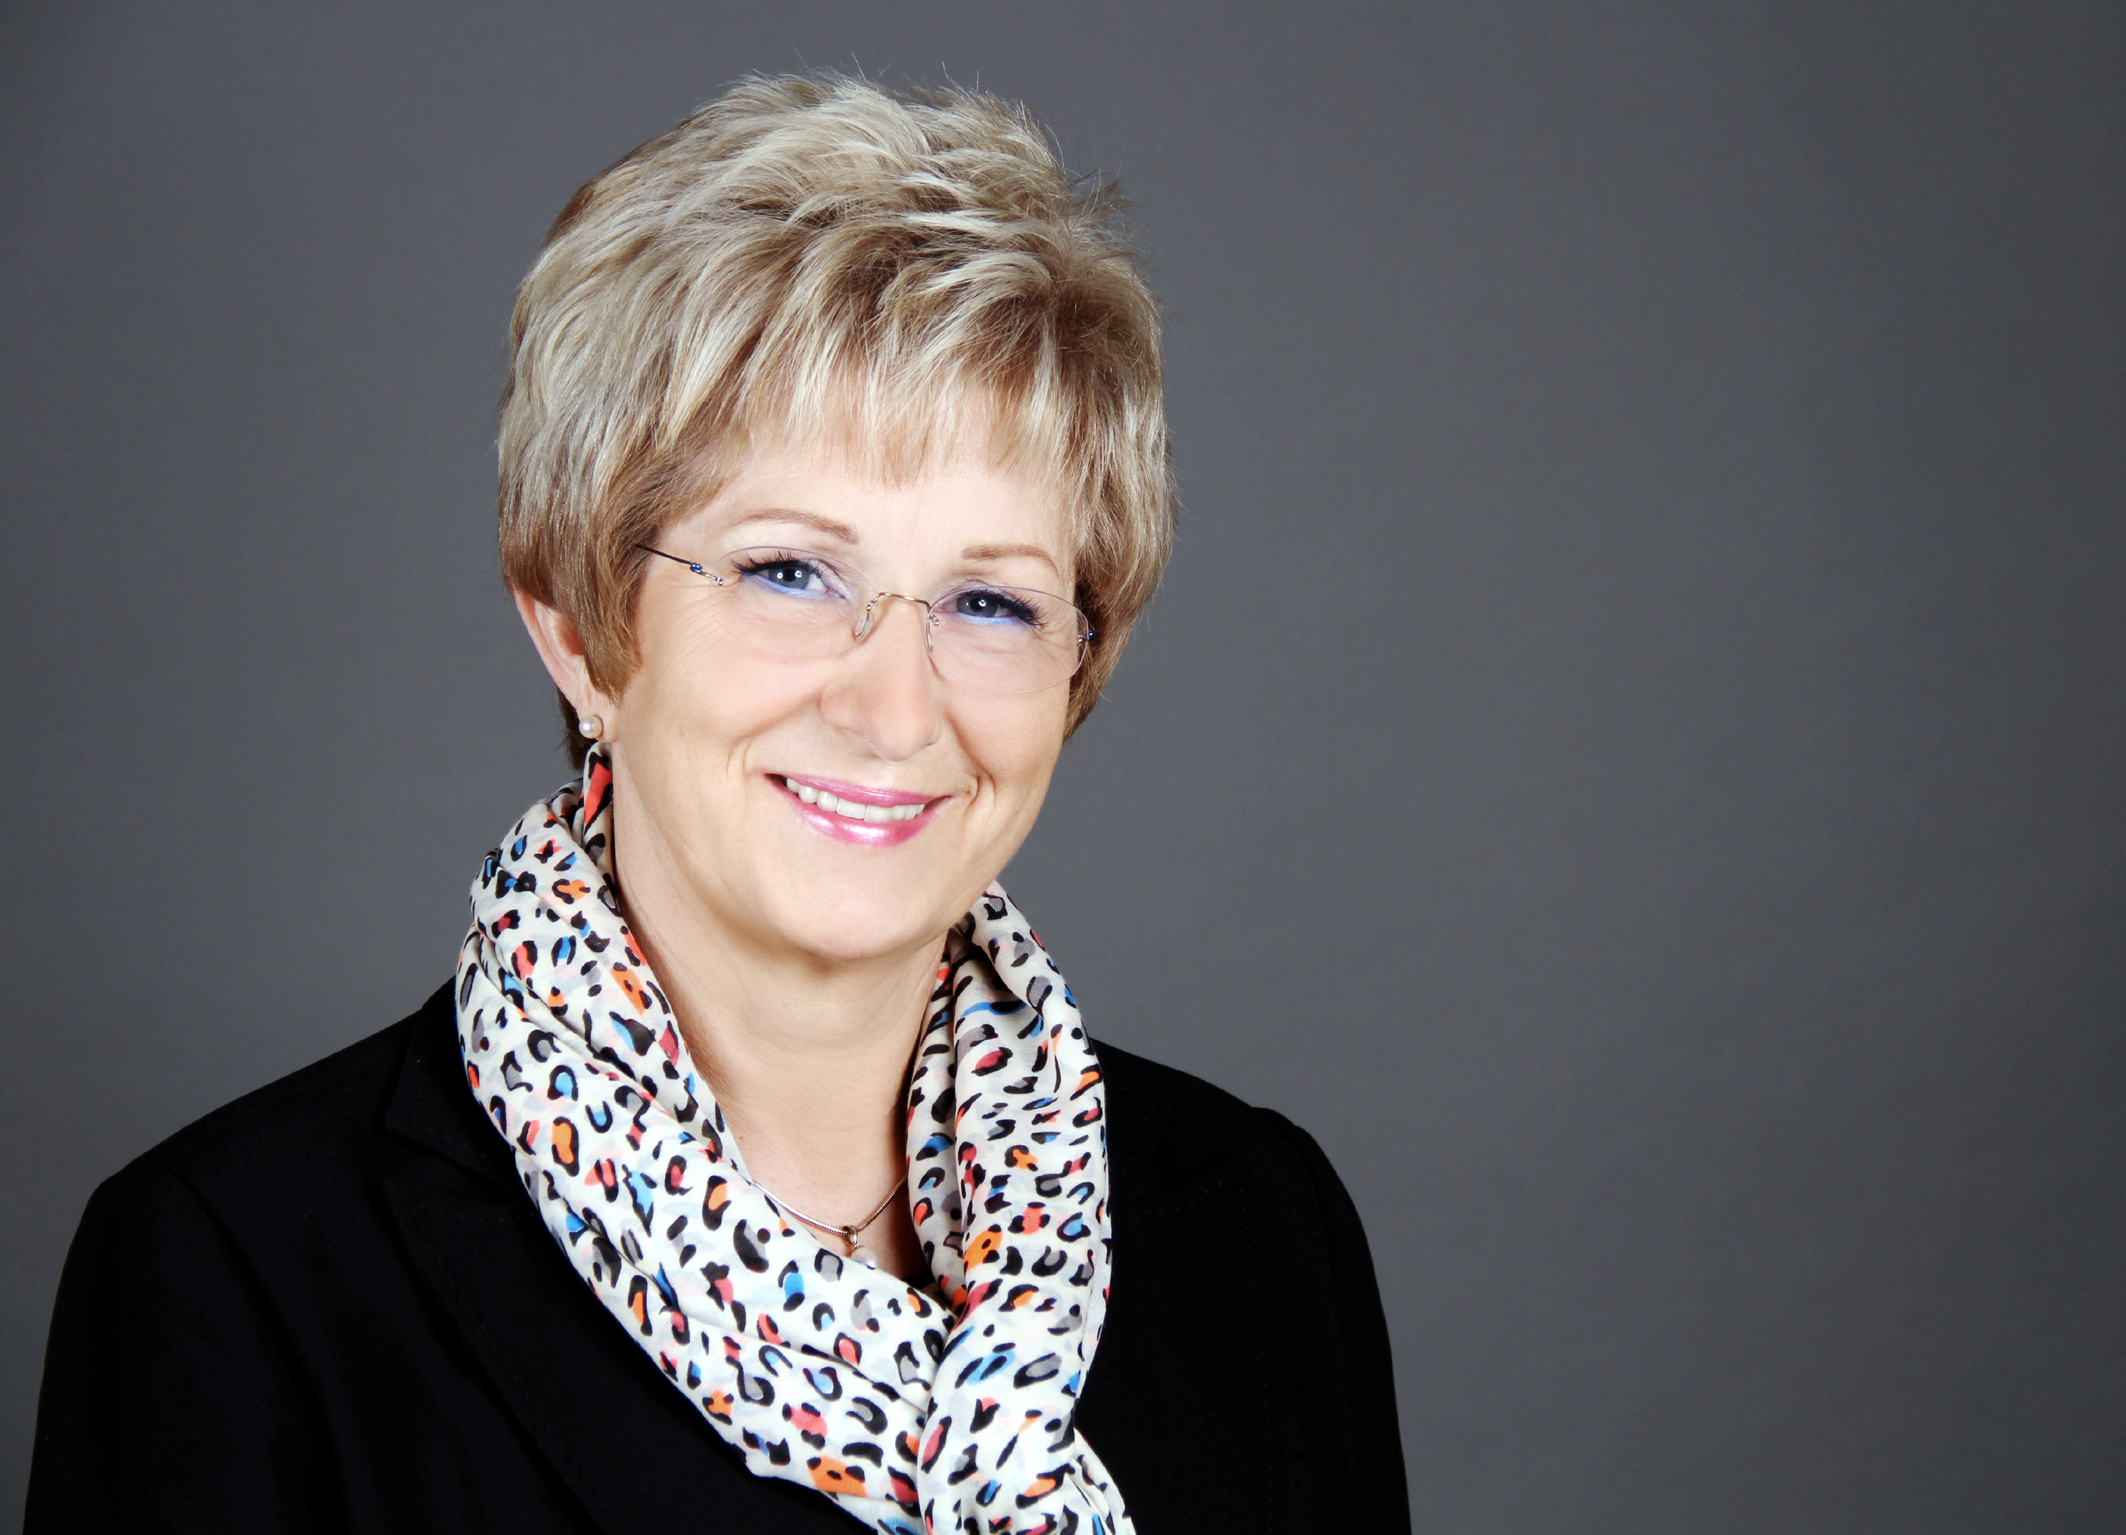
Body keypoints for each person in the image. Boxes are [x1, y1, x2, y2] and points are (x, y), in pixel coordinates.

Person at [26, 74, 1407, 1534]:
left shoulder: (1260, 1226)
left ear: (1080, 660)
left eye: (990, 601)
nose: (896, 710)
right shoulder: (239, 1275)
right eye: (789, 572)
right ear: (579, 628)